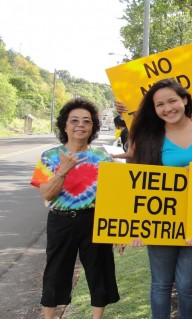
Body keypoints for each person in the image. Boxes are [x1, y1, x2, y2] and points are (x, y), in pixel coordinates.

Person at [120, 78, 192, 319]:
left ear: (184, 100)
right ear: (154, 109)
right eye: (160, 104)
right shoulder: (148, 137)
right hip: (160, 219)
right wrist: (133, 227)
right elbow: (138, 184)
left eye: (172, 100)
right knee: (161, 284)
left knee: (188, 287)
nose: (167, 108)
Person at [30, 98, 120, 319]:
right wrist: (63, 170)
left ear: (93, 127)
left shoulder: (102, 158)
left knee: (100, 270)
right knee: (56, 272)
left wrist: (119, 229)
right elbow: (47, 194)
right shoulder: (49, 156)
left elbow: (113, 196)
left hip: (93, 220)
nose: (80, 125)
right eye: (75, 120)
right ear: (65, 125)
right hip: (60, 221)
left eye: (87, 121)